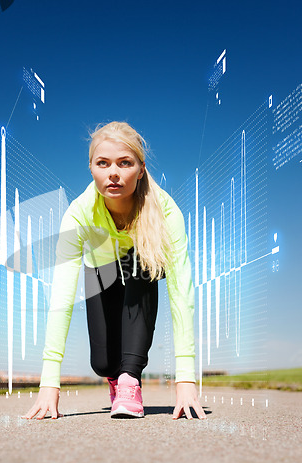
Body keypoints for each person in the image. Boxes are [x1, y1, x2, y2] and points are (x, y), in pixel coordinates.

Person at [22, 121, 206, 421]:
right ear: (91, 168)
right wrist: (49, 382)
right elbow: (62, 297)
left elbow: (181, 293)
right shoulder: (79, 213)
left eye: (125, 163)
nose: (114, 173)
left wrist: (185, 379)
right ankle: (115, 376)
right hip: (100, 269)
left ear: (141, 168)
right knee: (104, 363)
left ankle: (129, 381)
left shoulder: (166, 210)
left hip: (142, 267)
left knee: (142, 262)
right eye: (103, 163)